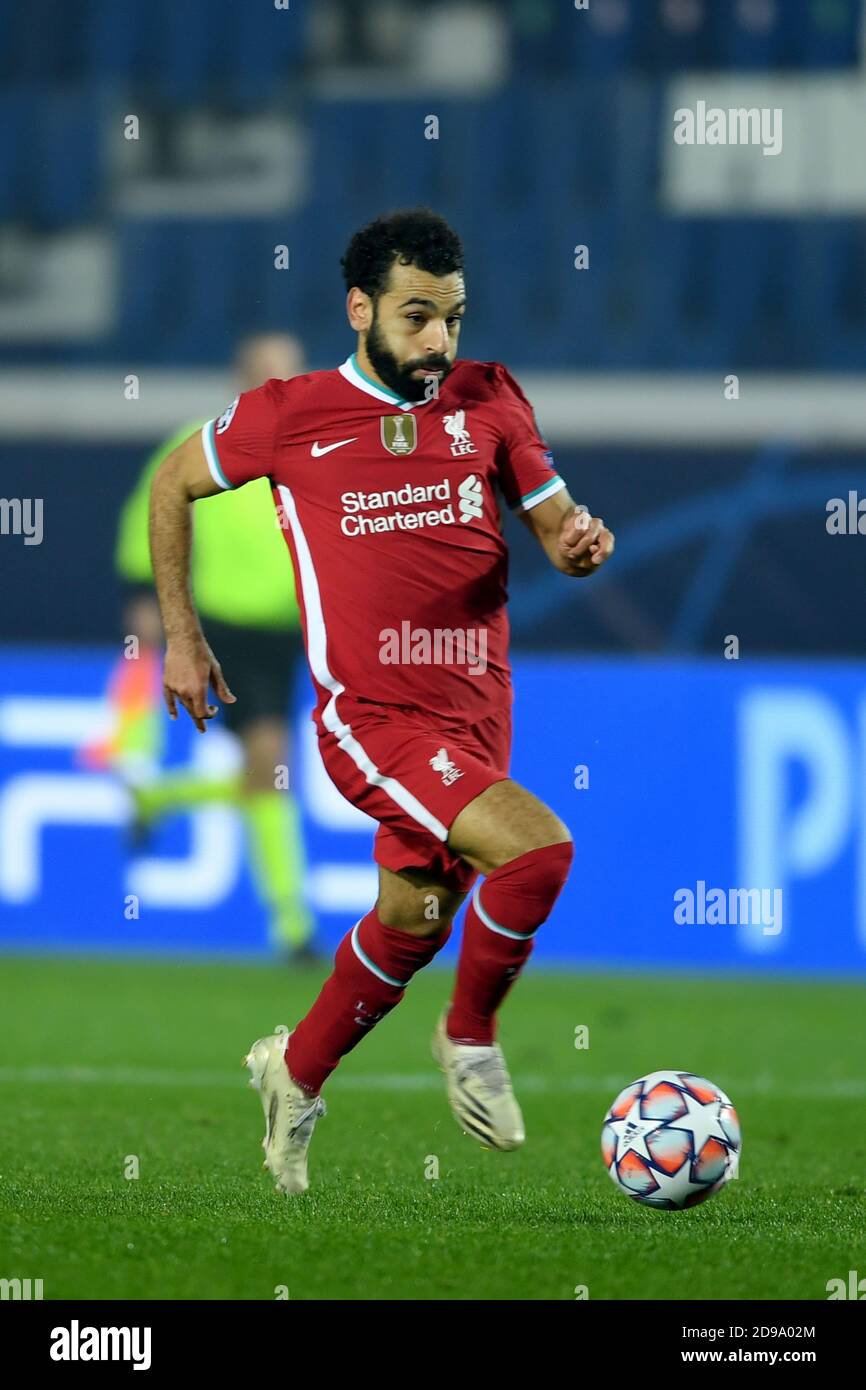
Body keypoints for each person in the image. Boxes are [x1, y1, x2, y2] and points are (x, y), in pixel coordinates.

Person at [148, 208, 614, 1194]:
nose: (438, 341)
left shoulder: (488, 398)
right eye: (415, 317)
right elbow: (172, 482)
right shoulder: (288, 413)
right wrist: (183, 635)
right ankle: (470, 1038)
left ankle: (294, 1071)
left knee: (413, 919)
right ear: (359, 309)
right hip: (373, 721)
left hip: (477, 715)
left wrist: (575, 541)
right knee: (537, 853)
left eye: (450, 317)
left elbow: (552, 516)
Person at [110, 333, 315, 960]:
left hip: (289, 632)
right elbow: (149, 517)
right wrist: (148, 600)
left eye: (285, 376)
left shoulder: (318, 451)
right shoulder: (197, 447)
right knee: (270, 767)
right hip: (219, 629)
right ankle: (293, 928)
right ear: (237, 378)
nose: (273, 389)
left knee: (264, 775)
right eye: (262, 375)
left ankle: (160, 796)